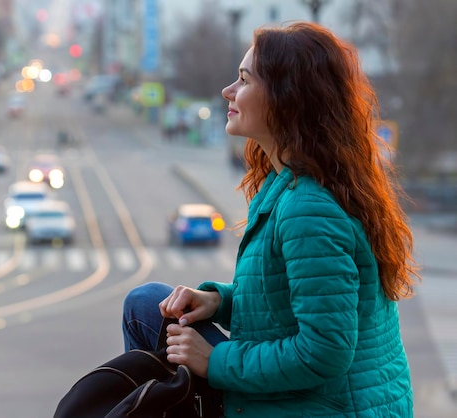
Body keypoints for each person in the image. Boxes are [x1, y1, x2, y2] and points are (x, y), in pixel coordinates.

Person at [122, 22, 420, 417]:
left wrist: (215, 361)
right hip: (319, 402)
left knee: (143, 308)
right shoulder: (295, 183)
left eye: (244, 80)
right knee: (148, 304)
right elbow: (289, 301)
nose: (228, 91)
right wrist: (220, 301)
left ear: (286, 99)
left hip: (323, 408)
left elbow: (324, 352)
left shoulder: (309, 208)